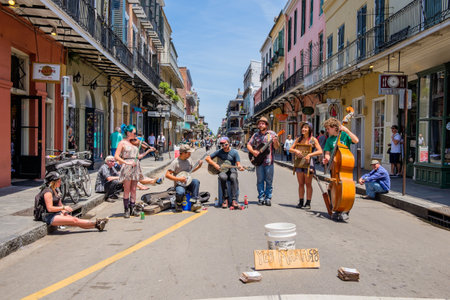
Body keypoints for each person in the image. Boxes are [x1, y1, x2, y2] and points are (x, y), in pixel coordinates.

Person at [38, 171, 108, 231]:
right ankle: (97, 222)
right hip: (48, 216)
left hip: (56, 213)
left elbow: (59, 204)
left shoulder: (56, 189)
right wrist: (63, 208)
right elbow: (50, 208)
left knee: (74, 220)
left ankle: (97, 226)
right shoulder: (48, 192)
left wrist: (63, 211)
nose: (60, 182)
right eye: (58, 181)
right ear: (52, 182)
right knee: (74, 221)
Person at [322, 118, 359, 221]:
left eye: (328, 128)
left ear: (335, 128)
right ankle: (336, 208)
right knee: (333, 188)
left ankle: (345, 210)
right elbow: (327, 153)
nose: (327, 131)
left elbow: (356, 140)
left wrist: (346, 130)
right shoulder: (329, 140)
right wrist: (327, 159)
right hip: (335, 168)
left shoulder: (344, 135)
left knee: (345, 189)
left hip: (344, 165)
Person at [114, 124, 153, 218]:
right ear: (128, 133)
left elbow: (138, 156)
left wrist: (147, 151)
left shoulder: (135, 143)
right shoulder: (122, 143)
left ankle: (133, 208)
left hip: (136, 166)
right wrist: (125, 162)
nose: (136, 135)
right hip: (127, 167)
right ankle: (126, 210)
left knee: (134, 189)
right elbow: (116, 156)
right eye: (134, 133)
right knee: (127, 189)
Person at [247, 116, 280, 206]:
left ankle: (268, 197)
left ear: (266, 125)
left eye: (263, 123)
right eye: (259, 123)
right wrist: (253, 151)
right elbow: (249, 144)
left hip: (269, 161)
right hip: (259, 161)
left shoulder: (272, 134)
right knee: (260, 180)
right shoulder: (256, 135)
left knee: (269, 180)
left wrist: (275, 141)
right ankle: (261, 197)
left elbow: (276, 147)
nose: (261, 125)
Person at [289, 122, 323, 209]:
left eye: (306, 128)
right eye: (303, 127)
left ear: (310, 129)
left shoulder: (313, 140)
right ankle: (301, 201)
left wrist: (310, 155)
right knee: (300, 184)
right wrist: (296, 151)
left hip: (309, 164)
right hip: (299, 163)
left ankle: (308, 203)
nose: (303, 129)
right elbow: (290, 149)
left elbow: (320, 151)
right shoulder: (298, 139)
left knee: (308, 184)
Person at [206, 136, 244, 209]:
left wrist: (240, 167)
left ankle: (234, 199)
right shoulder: (219, 151)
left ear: (229, 143)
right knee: (223, 177)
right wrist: (215, 164)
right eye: (222, 145)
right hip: (222, 170)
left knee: (233, 177)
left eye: (226, 145)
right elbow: (207, 158)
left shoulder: (234, 152)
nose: (224, 147)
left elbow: (238, 164)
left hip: (232, 170)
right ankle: (225, 199)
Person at [165, 144, 203, 213]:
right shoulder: (175, 162)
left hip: (188, 182)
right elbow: (167, 175)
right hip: (179, 184)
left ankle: (193, 203)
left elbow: (191, 171)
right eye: (189, 153)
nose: (190, 154)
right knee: (180, 192)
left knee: (196, 182)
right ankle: (178, 203)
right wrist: (179, 179)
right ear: (183, 153)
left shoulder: (189, 160)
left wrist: (199, 166)